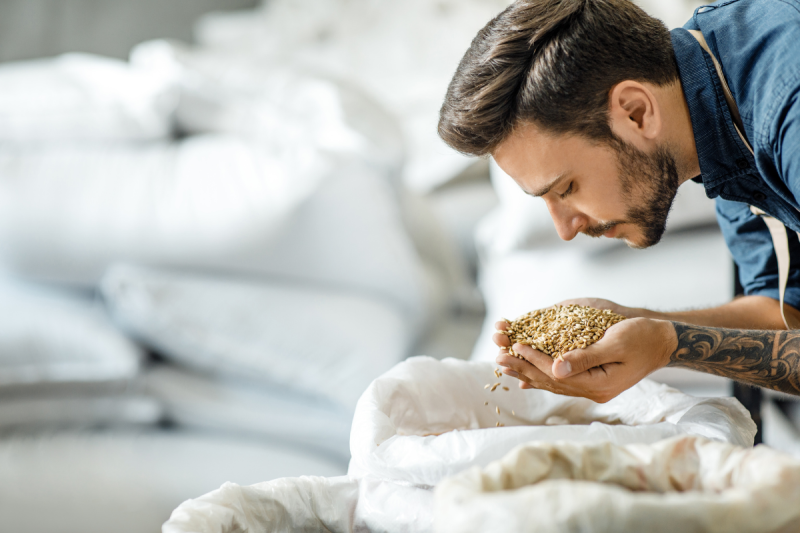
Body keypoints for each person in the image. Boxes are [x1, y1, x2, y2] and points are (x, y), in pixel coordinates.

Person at [437, 0, 800, 401]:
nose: (565, 229)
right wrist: (646, 328)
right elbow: (785, 314)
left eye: (566, 188)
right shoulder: (715, 105)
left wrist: (670, 346)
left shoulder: (787, 108)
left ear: (636, 112)